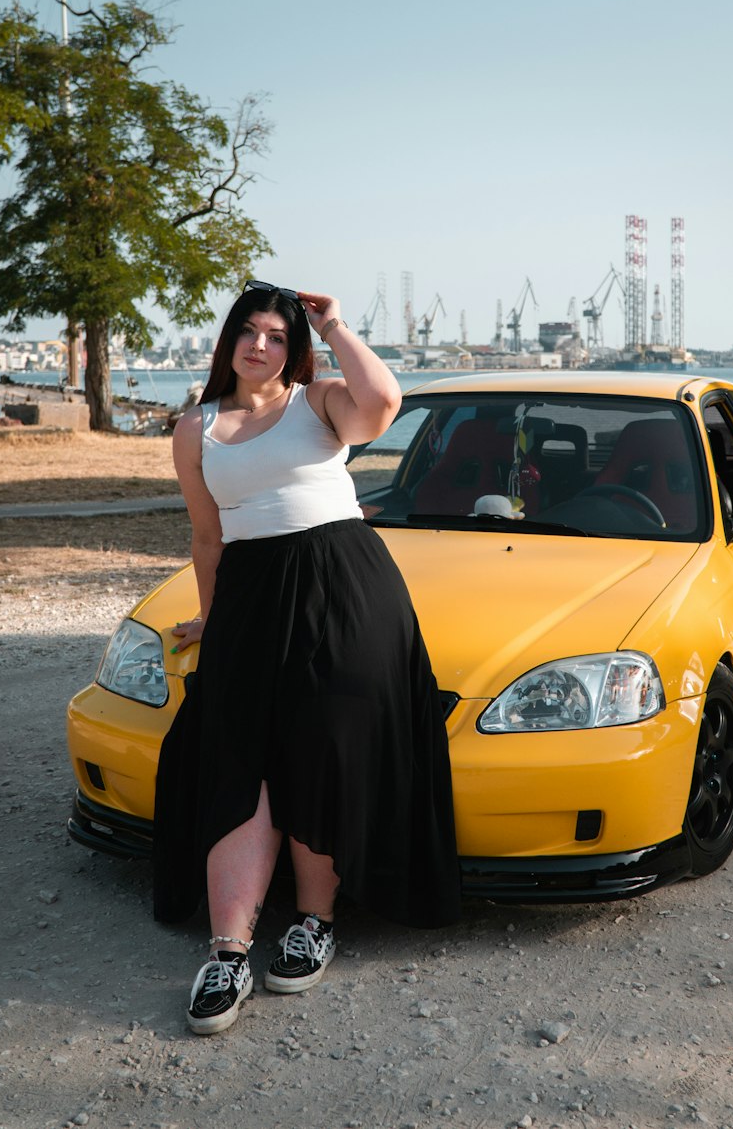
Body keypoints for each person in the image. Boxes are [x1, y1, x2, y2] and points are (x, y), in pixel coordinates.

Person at [153, 279, 461, 1036]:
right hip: (252, 595)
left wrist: (336, 326)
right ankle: (228, 952)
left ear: (295, 350)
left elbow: (384, 402)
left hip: (342, 583)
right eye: (249, 332)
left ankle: (314, 922)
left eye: (277, 336)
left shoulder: (319, 401)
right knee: (237, 754)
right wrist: (210, 617)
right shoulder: (194, 428)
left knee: (317, 745)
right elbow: (207, 536)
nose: (260, 345)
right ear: (228, 341)